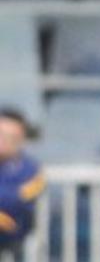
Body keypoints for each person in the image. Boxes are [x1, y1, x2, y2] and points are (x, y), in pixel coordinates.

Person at [0, 108, 44, 254]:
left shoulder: (30, 169)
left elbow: (17, 200)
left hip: (11, 232)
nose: (4, 141)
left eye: (10, 137)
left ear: (22, 137)